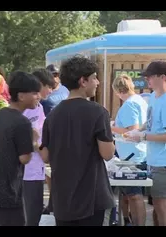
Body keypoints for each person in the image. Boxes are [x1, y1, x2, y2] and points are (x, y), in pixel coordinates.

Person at [40, 55, 115, 226]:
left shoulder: (52, 116)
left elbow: (45, 156)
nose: (97, 82)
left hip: (62, 198)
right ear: (83, 81)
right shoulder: (98, 112)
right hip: (92, 197)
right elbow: (108, 153)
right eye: (94, 78)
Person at [125, 60, 166, 226]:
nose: (147, 80)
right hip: (156, 160)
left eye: (150, 76)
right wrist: (138, 132)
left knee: (164, 206)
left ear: (163, 77)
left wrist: (143, 137)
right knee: (158, 206)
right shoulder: (154, 96)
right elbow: (151, 123)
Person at [0, 71, 41, 226]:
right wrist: (34, 140)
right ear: (21, 96)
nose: (38, 96)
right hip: (8, 192)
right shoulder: (22, 123)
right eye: (34, 93)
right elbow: (24, 158)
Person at [110, 74, 148, 226]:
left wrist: (111, 127)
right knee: (131, 194)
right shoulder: (140, 100)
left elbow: (133, 130)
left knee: (134, 195)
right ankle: (128, 221)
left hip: (132, 156)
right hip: (138, 153)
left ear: (118, 90)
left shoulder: (129, 104)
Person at [21, 69, 55, 226]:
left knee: (34, 216)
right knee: (29, 217)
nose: (51, 91)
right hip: (26, 172)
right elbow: (28, 137)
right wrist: (38, 148)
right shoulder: (24, 109)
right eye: (50, 86)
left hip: (37, 170)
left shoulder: (40, 107)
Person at [41, 64, 69, 214]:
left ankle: (60, 202)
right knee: (50, 173)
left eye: (57, 74)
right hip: (51, 136)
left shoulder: (66, 90)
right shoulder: (46, 93)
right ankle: (53, 202)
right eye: (52, 74)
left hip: (67, 135)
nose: (55, 77)